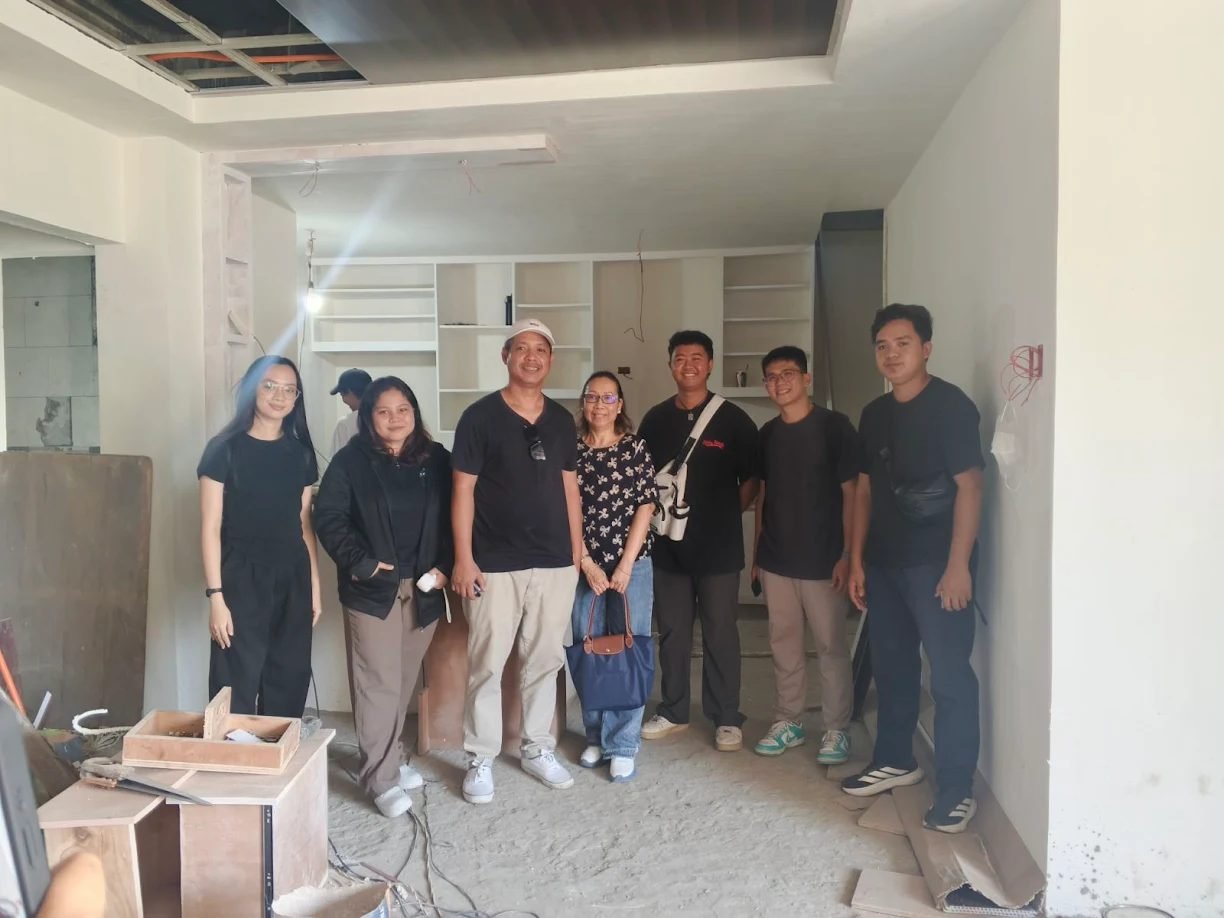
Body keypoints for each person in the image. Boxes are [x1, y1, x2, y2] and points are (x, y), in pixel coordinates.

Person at [842, 303, 985, 835]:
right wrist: (856, 560)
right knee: (893, 666)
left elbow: (971, 485)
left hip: (937, 567)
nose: (892, 353)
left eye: (903, 343)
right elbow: (864, 491)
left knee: (949, 677)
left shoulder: (951, 407)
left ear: (926, 347)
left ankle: (955, 788)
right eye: (882, 345)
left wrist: (958, 566)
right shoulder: (874, 414)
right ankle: (895, 760)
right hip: (884, 563)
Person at [450, 318, 582, 804]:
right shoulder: (480, 417)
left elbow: (570, 487)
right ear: (506, 356)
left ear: (551, 359)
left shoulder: (562, 420)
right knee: (487, 663)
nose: (532, 357)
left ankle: (537, 747)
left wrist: (576, 553)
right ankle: (480, 756)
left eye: (541, 349)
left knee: (544, 660)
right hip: (494, 561)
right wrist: (463, 558)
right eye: (522, 348)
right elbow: (462, 488)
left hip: (554, 563)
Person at [315, 376, 453, 819]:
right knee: (377, 681)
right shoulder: (350, 462)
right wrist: (364, 563)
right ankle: (379, 778)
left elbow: (458, 517)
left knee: (402, 680)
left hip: (425, 587)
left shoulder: (436, 459)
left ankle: (386, 757)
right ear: (368, 417)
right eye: (383, 411)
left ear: (415, 413)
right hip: (372, 590)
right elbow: (330, 517)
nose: (395, 419)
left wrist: (446, 566)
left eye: (403, 410)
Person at [637, 330, 759, 752]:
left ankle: (727, 715)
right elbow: (644, 480)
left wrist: (725, 513)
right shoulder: (655, 419)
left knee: (721, 631)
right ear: (670, 364)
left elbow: (753, 479)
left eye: (696, 358)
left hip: (720, 549)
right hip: (669, 549)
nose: (688, 365)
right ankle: (673, 709)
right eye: (679, 358)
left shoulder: (733, 419)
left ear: (710, 364)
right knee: (671, 631)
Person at [751, 346, 859, 764]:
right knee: (784, 644)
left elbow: (853, 493)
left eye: (788, 373)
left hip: (824, 561)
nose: (780, 382)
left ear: (806, 378)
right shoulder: (768, 435)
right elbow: (763, 496)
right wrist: (758, 552)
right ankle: (789, 721)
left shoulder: (835, 428)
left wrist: (849, 553)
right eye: (772, 377)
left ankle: (835, 728)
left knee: (831, 646)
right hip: (778, 559)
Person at [197, 355, 321, 717]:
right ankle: (232, 764)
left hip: (292, 575)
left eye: (289, 390)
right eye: (269, 386)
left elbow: (303, 523)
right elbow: (209, 526)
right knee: (235, 679)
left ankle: (278, 761)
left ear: (296, 399)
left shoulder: (299, 454)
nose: (279, 396)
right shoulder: (224, 449)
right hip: (240, 578)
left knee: (289, 674)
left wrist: (313, 584)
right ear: (252, 390)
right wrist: (216, 597)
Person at [571, 371, 657, 783]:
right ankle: (595, 735)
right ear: (582, 403)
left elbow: (646, 505)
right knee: (588, 646)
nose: (599, 405)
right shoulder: (569, 452)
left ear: (620, 405)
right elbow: (563, 510)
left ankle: (623, 742)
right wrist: (586, 562)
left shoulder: (635, 448)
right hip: (582, 566)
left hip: (632, 566)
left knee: (628, 648)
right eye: (592, 397)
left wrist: (624, 564)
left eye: (608, 398)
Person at [330, 368, 372, 457]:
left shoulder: (345, 424)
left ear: (349, 392)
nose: (343, 399)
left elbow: (337, 461)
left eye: (342, 394)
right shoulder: (384, 418)